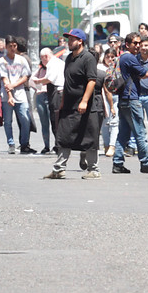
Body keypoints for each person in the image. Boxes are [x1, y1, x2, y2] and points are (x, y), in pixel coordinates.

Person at [45, 29, 101, 180]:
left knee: (89, 138)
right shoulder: (69, 58)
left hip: (85, 107)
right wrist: (63, 101)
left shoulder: (88, 58)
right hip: (69, 105)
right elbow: (67, 81)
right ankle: (58, 169)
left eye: (72, 40)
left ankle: (93, 169)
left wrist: (84, 101)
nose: (69, 42)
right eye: (68, 39)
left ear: (80, 41)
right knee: (63, 137)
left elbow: (92, 80)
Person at [111, 32, 148, 174]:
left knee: (124, 133)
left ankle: (118, 162)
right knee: (140, 132)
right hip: (131, 99)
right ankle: (146, 163)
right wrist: (140, 71)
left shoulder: (123, 57)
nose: (138, 46)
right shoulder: (129, 57)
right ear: (127, 44)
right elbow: (145, 73)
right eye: (135, 43)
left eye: (139, 43)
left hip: (124, 98)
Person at [0, 35, 36, 154]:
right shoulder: (2, 61)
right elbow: (4, 79)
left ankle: (24, 144)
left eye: (14, 46)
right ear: (6, 47)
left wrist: (13, 85)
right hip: (7, 95)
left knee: (25, 118)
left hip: (20, 94)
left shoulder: (21, 59)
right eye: (10, 46)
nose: (13, 48)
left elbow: (25, 76)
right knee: (8, 121)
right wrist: (9, 96)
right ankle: (11, 143)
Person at [31, 47, 65, 153]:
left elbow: (50, 79)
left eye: (42, 58)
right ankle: (58, 144)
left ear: (45, 56)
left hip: (56, 92)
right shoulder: (60, 62)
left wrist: (38, 81)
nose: (42, 61)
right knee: (56, 120)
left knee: (55, 121)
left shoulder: (52, 63)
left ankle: (59, 145)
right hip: (59, 92)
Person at [98, 48, 119, 157]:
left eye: (112, 57)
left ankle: (112, 145)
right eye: (108, 57)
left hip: (116, 96)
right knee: (105, 123)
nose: (110, 59)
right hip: (104, 97)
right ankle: (106, 145)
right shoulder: (100, 68)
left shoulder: (117, 67)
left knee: (115, 122)